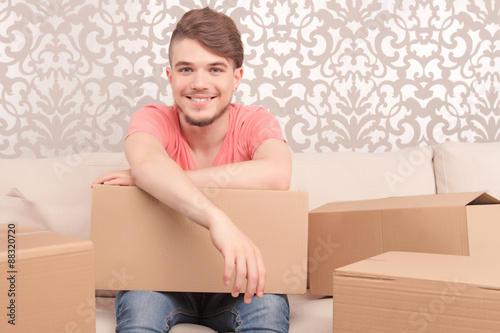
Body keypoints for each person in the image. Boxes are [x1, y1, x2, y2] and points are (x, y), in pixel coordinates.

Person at [92, 6, 292, 333]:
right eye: (186, 69)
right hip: (158, 279)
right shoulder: (152, 118)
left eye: (215, 69)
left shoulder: (256, 121)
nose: (200, 84)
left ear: (236, 77)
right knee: (139, 314)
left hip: (241, 283)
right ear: (170, 76)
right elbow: (148, 164)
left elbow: (276, 174)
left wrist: (151, 180)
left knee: (268, 308)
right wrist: (218, 221)